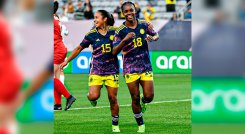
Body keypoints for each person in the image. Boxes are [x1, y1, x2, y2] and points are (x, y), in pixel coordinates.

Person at [60, 10, 121, 132]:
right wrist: (67, 61)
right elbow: (78, 48)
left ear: (105, 19)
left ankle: (115, 125)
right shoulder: (91, 34)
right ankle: (92, 100)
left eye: (97, 17)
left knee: (113, 98)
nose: (94, 20)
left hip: (112, 70)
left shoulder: (115, 31)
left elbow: (129, 36)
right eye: (94, 18)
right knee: (93, 96)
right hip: (96, 70)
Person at [112, 2, 159, 133]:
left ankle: (145, 101)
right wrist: (124, 40)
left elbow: (156, 34)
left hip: (145, 66)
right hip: (130, 69)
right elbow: (114, 51)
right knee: (135, 98)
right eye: (126, 11)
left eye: (131, 10)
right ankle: (141, 125)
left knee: (149, 96)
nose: (129, 13)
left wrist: (153, 38)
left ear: (135, 10)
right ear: (123, 13)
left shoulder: (144, 24)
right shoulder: (120, 31)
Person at [54, 1, 76, 111]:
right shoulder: (56, 19)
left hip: (56, 49)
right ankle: (57, 104)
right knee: (55, 77)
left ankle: (69, 97)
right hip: (59, 48)